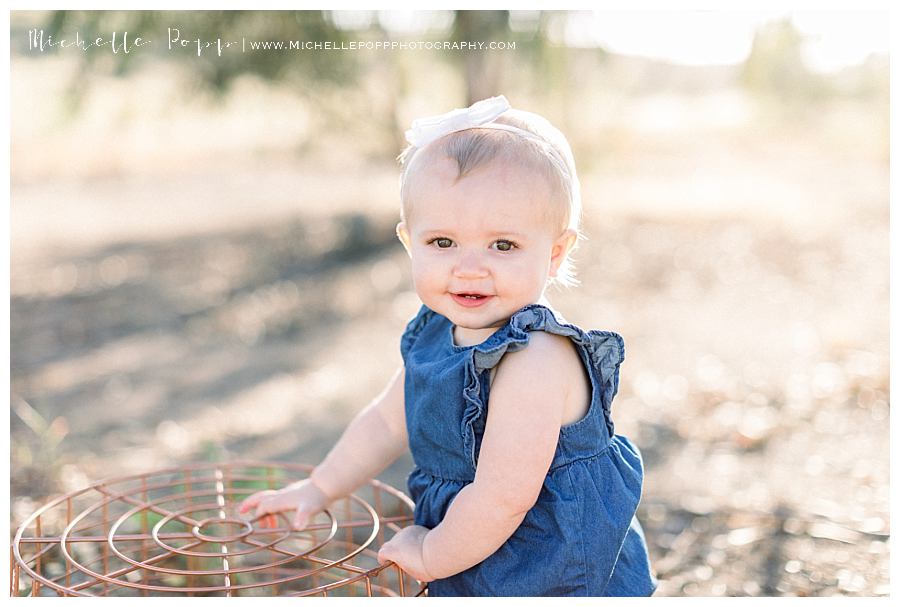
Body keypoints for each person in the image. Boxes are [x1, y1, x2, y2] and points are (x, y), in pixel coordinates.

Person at [239, 95, 657, 596]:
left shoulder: (535, 359)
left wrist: (432, 554)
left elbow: (504, 497)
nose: (469, 267)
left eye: (502, 245)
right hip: (472, 538)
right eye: (442, 243)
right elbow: (386, 420)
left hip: (548, 563)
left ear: (554, 252)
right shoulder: (437, 330)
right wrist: (320, 486)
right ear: (409, 241)